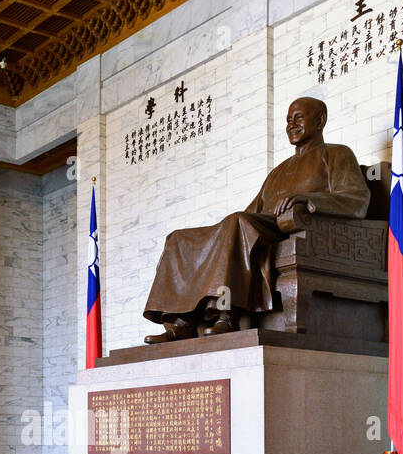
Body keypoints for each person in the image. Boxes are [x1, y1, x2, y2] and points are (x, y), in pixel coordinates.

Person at [142, 96, 371, 342]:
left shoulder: (336, 155)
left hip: (293, 228)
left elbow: (357, 199)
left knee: (237, 222)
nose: (291, 125)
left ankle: (227, 316)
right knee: (179, 239)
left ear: (320, 121)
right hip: (261, 225)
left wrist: (307, 199)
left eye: (298, 118)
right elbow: (251, 211)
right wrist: (215, 235)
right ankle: (181, 322)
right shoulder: (278, 171)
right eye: (288, 120)